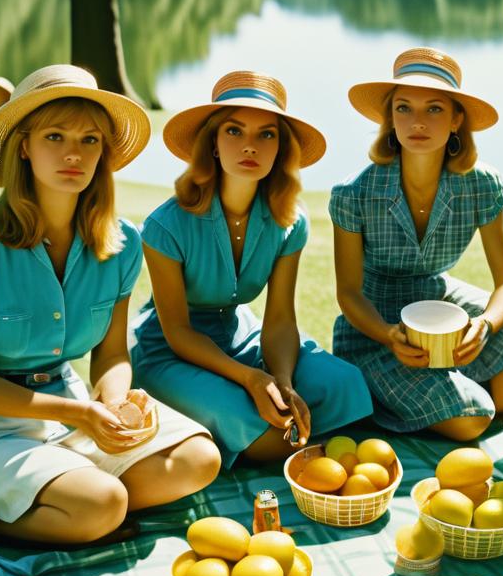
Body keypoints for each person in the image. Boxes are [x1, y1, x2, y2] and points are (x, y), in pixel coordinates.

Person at [0, 64, 220, 546]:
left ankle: (77, 500)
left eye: (89, 141)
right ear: (25, 146)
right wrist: (81, 415)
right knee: (103, 503)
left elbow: (111, 356)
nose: (73, 154)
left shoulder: (122, 244)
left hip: (74, 412)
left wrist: (114, 402)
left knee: (199, 460)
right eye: (55, 136)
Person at [330, 47, 503, 441]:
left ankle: (450, 389)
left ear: (455, 119)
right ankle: (445, 397)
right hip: (374, 326)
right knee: (472, 418)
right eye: (403, 108)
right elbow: (348, 293)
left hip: (445, 307)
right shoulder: (353, 193)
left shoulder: (481, 184)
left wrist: (485, 324)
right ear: (390, 118)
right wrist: (386, 334)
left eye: (433, 109)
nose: (417, 122)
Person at [131, 71, 373, 465]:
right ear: (211, 143)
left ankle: (282, 432)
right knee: (254, 427)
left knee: (346, 385)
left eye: (266, 134)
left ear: (280, 148)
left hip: (243, 338)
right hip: (171, 351)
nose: (250, 146)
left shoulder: (290, 221)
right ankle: (280, 441)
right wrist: (251, 379)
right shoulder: (165, 226)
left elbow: (279, 320)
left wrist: (282, 380)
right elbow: (177, 331)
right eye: (234, 131)